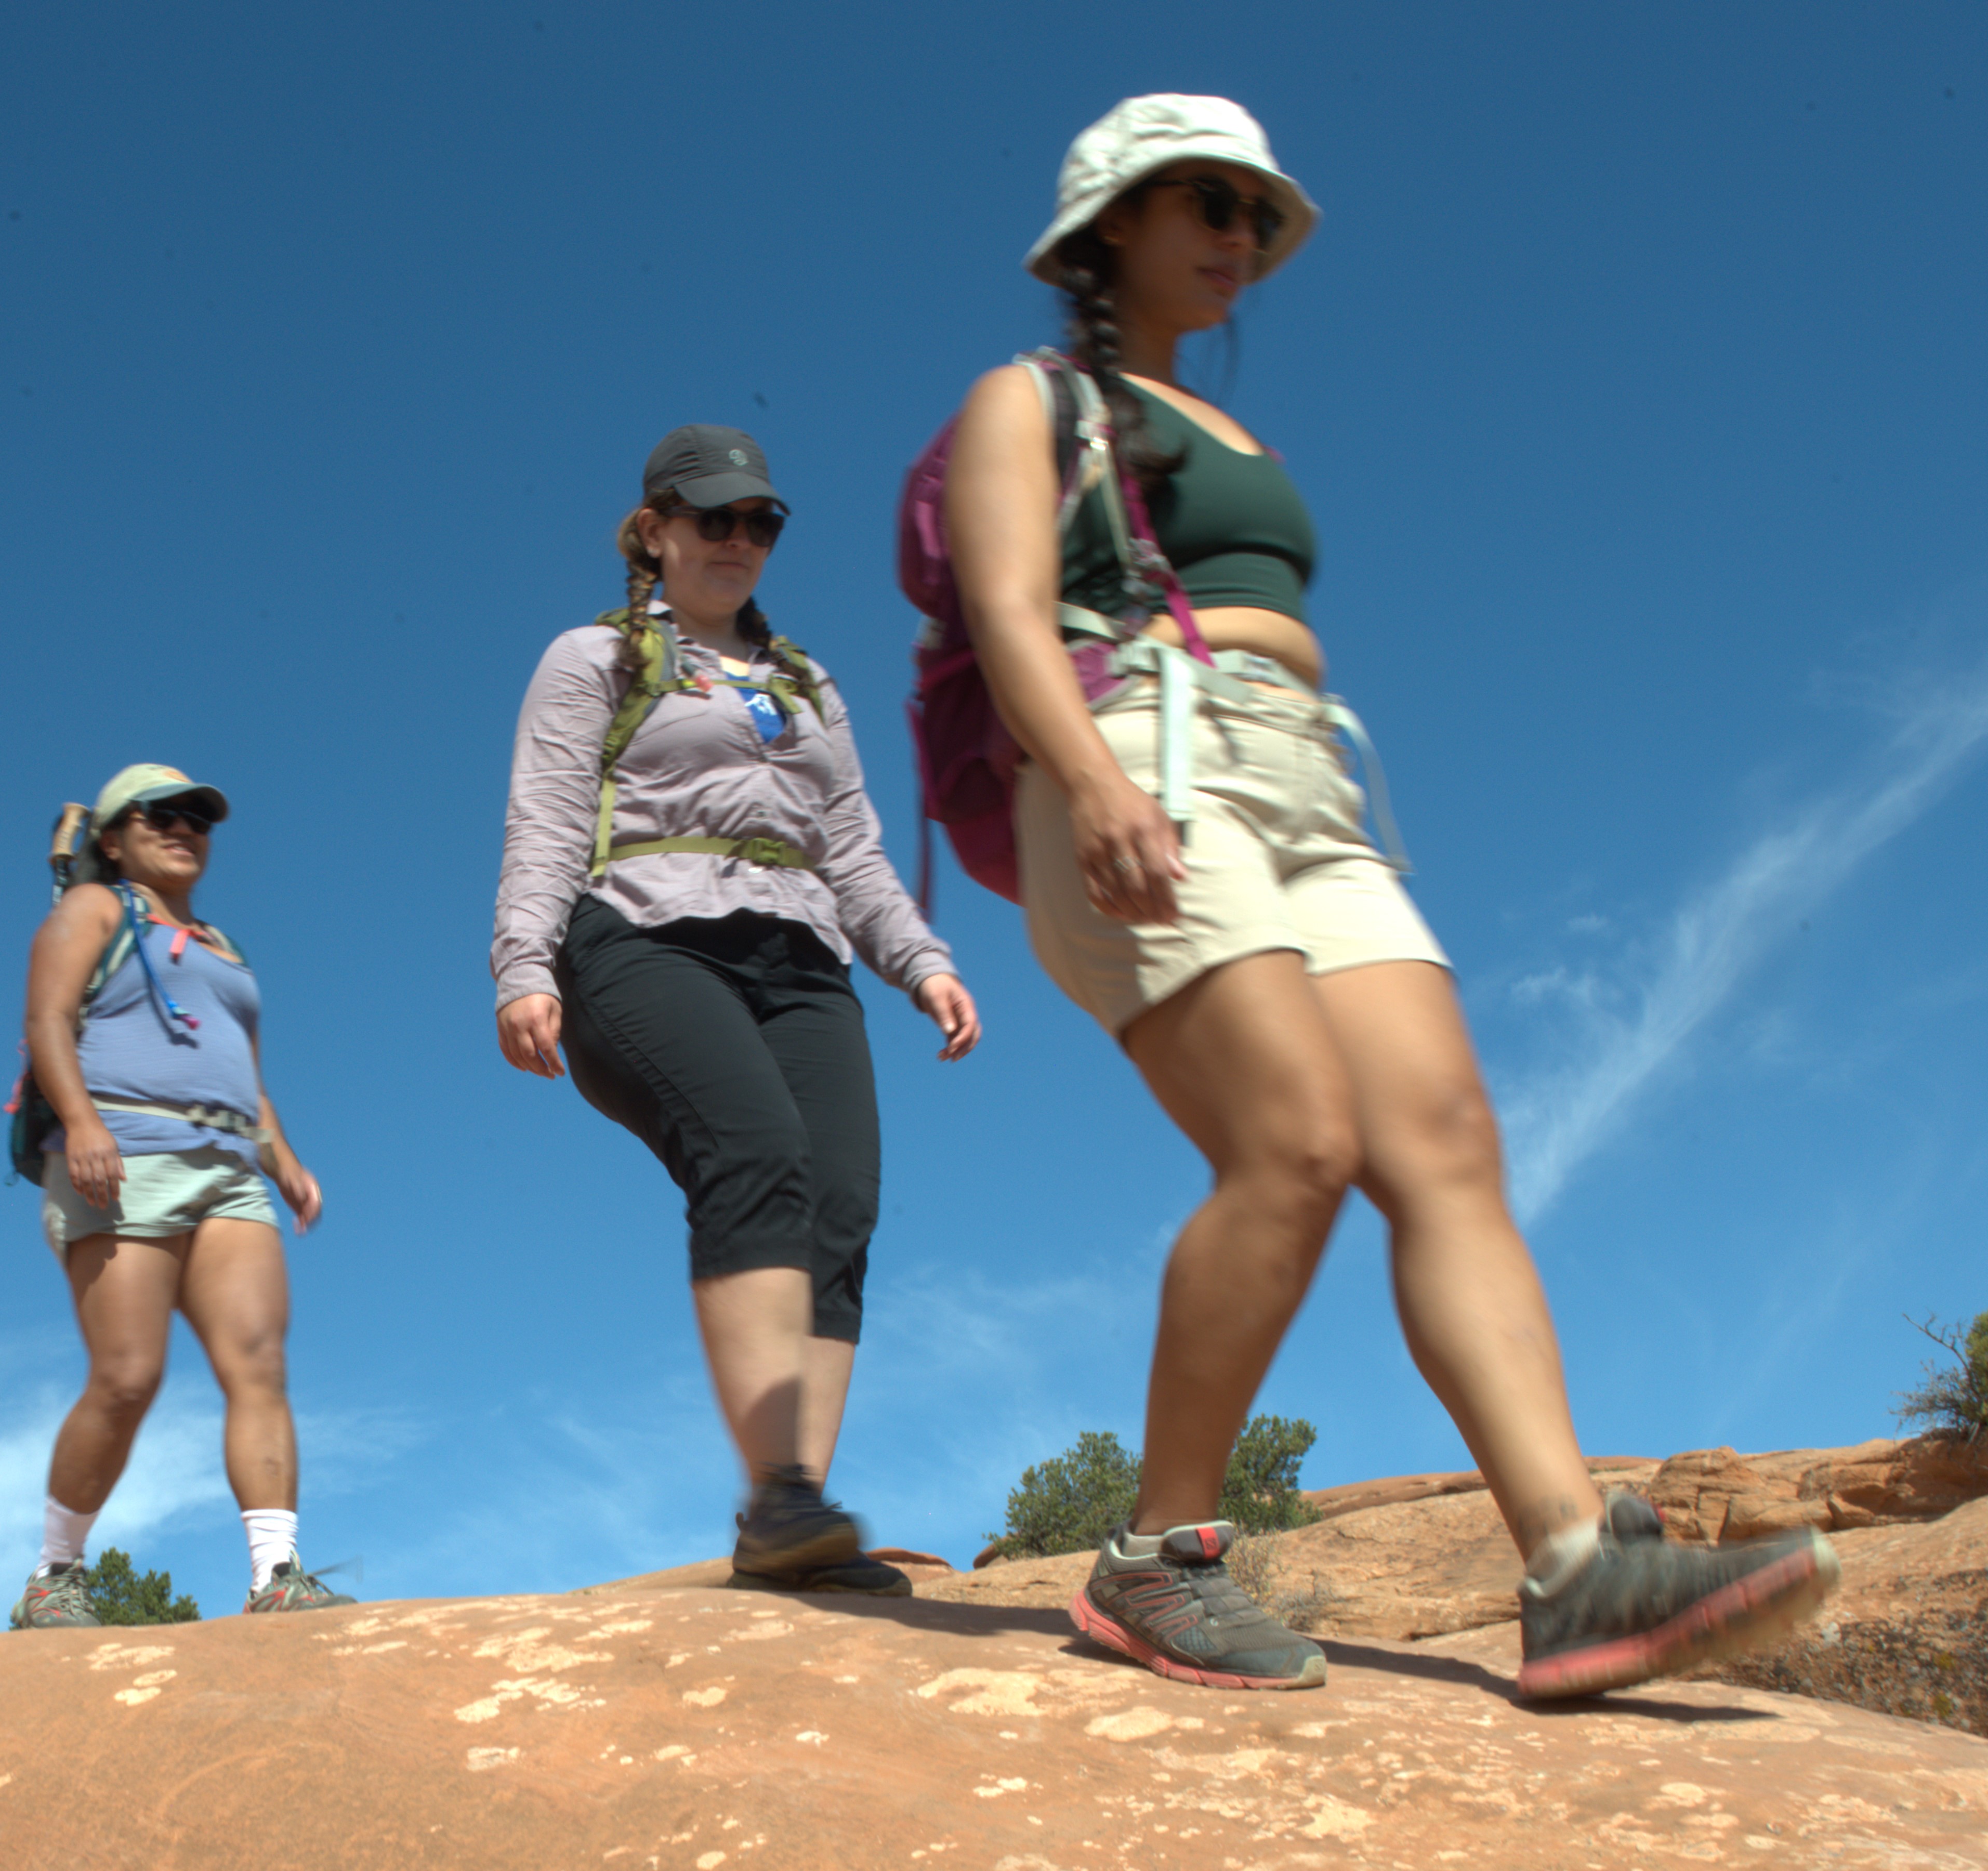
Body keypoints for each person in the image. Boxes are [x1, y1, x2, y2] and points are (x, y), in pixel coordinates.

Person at [939, 96, 1834, 1698]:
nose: (1235, 236)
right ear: (1106, 231)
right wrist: (1088, 781)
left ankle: (1574, 1567)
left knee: (1446, 1146)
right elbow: (1008, 605)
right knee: (1293, 1143)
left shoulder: (1236, 436)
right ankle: (1156, 1560)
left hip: (1306, 783)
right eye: (1201, 202)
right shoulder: (1030, 398)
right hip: (1143, 756)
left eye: (1250, 213)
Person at [495, 426, 983, 1592]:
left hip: (802, 950)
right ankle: (778, 1498)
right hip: (644, 934)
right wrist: (523, 964)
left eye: (758, 521)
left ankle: (797, 1517)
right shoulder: (594, 657)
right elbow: (549, 816)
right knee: (754, 1149)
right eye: (711, 517)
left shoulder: (806, 684)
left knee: (843, 1198)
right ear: (653, 527)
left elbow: (853, 850)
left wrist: (920, 961)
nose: (736, 538)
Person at [11, 764, 351, 1626]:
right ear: (113, 839)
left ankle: (277, 1576)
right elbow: (47, 1019)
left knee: (260, 1366)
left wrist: (285, 1160)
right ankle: (56, 1573)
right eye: (157, 816)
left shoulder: (222, 946)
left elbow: (244, 1072)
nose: (183, 827)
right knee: (127, 1376)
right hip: (123, 1153)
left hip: (227, 1167)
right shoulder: (95, 910)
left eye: (198, 817)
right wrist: (83, 1125)